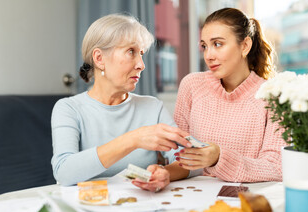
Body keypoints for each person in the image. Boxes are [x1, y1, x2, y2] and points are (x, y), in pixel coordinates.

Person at [51, 14, 192, 191]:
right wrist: (133, 139)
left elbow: (190, 160)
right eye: (131, 52)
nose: (141, 64)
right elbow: (64, 172)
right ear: (99, 58)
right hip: (90, 208)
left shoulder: (152, 107)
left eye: (141, 54)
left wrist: (166, 173)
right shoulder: (68, 109)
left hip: (140, 206)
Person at [174, 8, 287, 182]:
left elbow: (275, 168)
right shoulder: (191, 85)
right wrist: (164, 173)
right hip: (191, 194)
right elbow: (177, 154)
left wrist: (219, 157)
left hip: (246, 197)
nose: (208, 56)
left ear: (245, 46)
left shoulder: (273, 96)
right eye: (204, 46)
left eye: (218, 44)